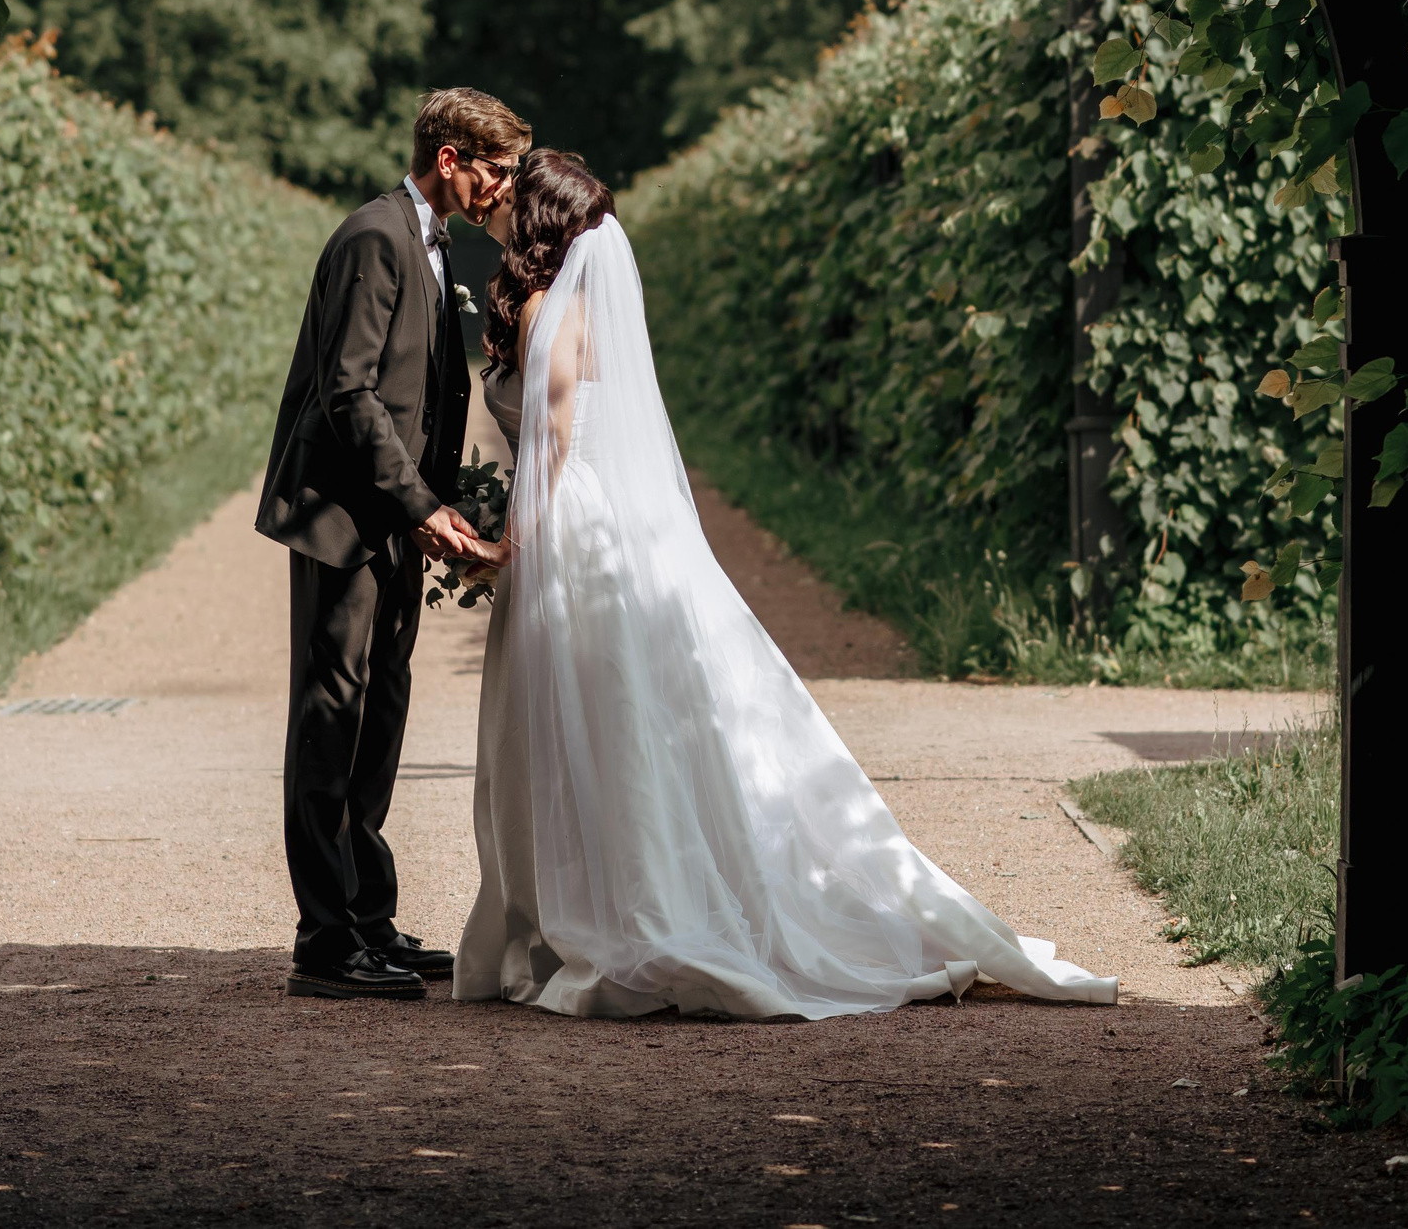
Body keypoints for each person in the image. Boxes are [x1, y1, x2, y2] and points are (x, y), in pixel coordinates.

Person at [453, 150, 1116, 1019]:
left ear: (535, 224)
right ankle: (636, 891)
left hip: (570, 529)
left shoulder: (545, 306)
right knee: (628, 713)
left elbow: (555, 441)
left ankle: (600, 913)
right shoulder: (591, 307)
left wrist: (506, 544)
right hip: (620, 527)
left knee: (579, 720)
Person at [255, 89, 530, 1000]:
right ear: (448, 158)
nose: (500, 190)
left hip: (394, 520)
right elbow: (349, 394)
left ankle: (368, 918)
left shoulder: (429, 240)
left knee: (380, 716)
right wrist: (418, 503)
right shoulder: (376, 235)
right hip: (345, 517)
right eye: (492, 169)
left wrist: (442, 504)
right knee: (331, 716)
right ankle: (324, 942)